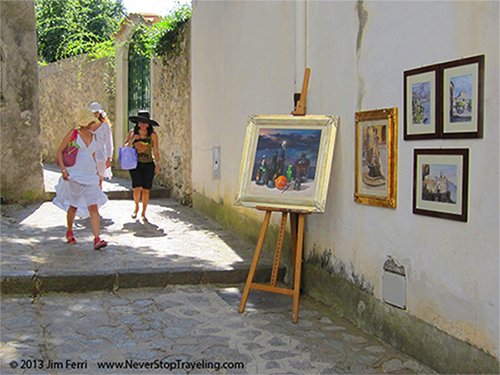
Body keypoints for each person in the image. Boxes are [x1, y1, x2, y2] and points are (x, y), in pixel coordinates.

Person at [53, 108, 108, 250]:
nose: (94, 124)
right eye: (92, 122)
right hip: (75, 175)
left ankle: (97, 238)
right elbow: (59, 151)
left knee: (93, 206)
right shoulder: (74, 133)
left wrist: (99, 174)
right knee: (73, 205)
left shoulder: (94, 137)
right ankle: (70, 230)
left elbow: (94, 156)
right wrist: (64, 170)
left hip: (90, 175)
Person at [124, 110, 161, 221]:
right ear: (137, 123)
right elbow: (125, 147)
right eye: (141, 122)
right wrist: (133, 139)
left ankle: (144, 212)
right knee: (136, 187)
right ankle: (136, 207)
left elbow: (155, 149)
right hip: (135, 164)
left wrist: (158, 163)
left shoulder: (153, 135)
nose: (143, 125)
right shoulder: (132, 133)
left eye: (145, 122)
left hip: (148, 164)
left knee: (146, 188)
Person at [89, 102, 114, 188]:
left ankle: (97, 199)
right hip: (88, 154)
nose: (95, 114)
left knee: (99, 180)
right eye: (93, 113)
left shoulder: (105, 126)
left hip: (100, 155)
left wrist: (109, 157)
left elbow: (108, 142)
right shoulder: (86, 126)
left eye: (96, 112)